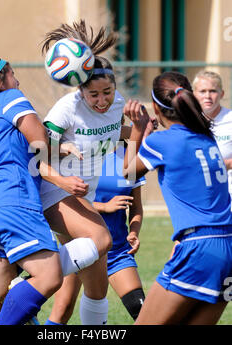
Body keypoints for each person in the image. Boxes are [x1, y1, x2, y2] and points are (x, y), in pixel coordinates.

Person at [0, 56, 89, 325]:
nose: (17, 79)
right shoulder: (11, 96)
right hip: (15, 203)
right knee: (50, 276)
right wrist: (61, 180)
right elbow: (38, 146)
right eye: (12, 73)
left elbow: (19, 148)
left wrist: (57, 148)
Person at [39, 20, 133, 325]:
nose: (102, 100)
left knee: (94, 285)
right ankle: (27, 279)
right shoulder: (66, 110)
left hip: (83, 194)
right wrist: (62, 175)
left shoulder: (117, 104)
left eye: (107, 92)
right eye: (94, 95)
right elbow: (37, 157)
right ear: (81, 92)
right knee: (101, 239)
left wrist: (145, 128)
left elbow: (116, 132)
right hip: (56, 191)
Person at [123, 71, 232, 325]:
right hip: (228, 244)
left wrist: (139, 130)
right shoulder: (206, 138)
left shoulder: (162, 140)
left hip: (200, 247)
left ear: (155, 107)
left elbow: (126, 173)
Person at [45, 140, 146, 325]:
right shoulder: (81, 151)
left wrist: (134, 231)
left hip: (117, 251)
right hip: (83, 245)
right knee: (63, 311)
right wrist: (104, 207)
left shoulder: (129, 155)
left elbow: (136, 207)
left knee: (141, 310)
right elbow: (65, 196)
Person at [193, 70, 232, 202]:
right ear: (193, 94)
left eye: (213, 91)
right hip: (201, 194)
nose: (208, 96)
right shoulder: (187, 123)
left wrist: (224, 164)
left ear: (222, 94)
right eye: (202, 91)